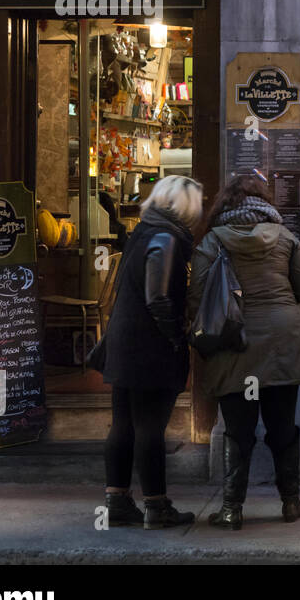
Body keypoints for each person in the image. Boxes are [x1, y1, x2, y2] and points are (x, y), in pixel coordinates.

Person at [187, 175, 300, 530]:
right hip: (281, 341)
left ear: (224, 204)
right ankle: (291, 503)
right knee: (283, 426)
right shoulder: (285, 236)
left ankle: (232, 508)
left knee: (238, 429)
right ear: (263, 201)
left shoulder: (213, 240)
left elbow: (197, 296)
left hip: (234, 343)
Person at [101, 174, 203, 529]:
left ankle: (117, 501)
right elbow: (158, 296)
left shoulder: (143, 231)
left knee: (123, 423)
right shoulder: (166, 237)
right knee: (149, 427)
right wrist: (177, 335)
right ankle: (156, 507)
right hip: (150, 345)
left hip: (124, 339)